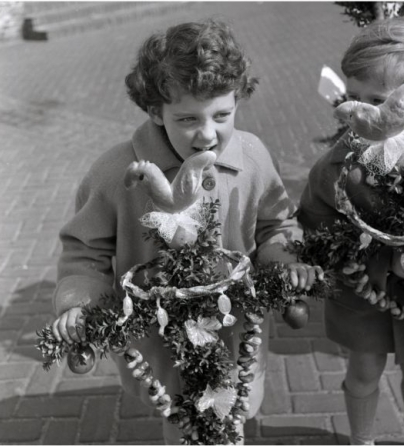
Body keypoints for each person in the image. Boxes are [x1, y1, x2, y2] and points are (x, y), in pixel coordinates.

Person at [50, 19, 320, 445]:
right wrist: (79, 301)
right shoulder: (117, 173)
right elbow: (85, 250)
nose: (207, 134)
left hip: (235, 332)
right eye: (188, 118)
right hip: (164, 340)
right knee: (180, 419)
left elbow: (276, 223)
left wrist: (285, 260)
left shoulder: (252, 156)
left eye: (222, 115)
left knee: (235, 410)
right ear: (156, 111)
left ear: (238, 101)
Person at [298, 13, 404, 446]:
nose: (361, 113)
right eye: (353, 97)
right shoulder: (340, 161)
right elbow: (314, 215)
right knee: (363, 368)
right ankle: (362, 438)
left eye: (377, 100)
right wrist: (345, 255)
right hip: (361, 289)